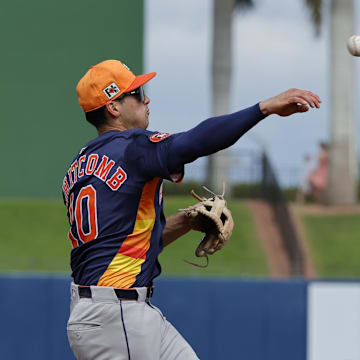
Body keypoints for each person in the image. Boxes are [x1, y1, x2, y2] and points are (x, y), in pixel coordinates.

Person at [62, 59, 321, 360]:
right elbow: (194, 142)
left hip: (116, 311)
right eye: (136, 92)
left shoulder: (79, 168)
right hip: (116, 315)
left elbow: (128, 247)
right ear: (113, 107)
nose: (145, 99)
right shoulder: (132, 146)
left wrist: (187, 221)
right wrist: (263, 108)